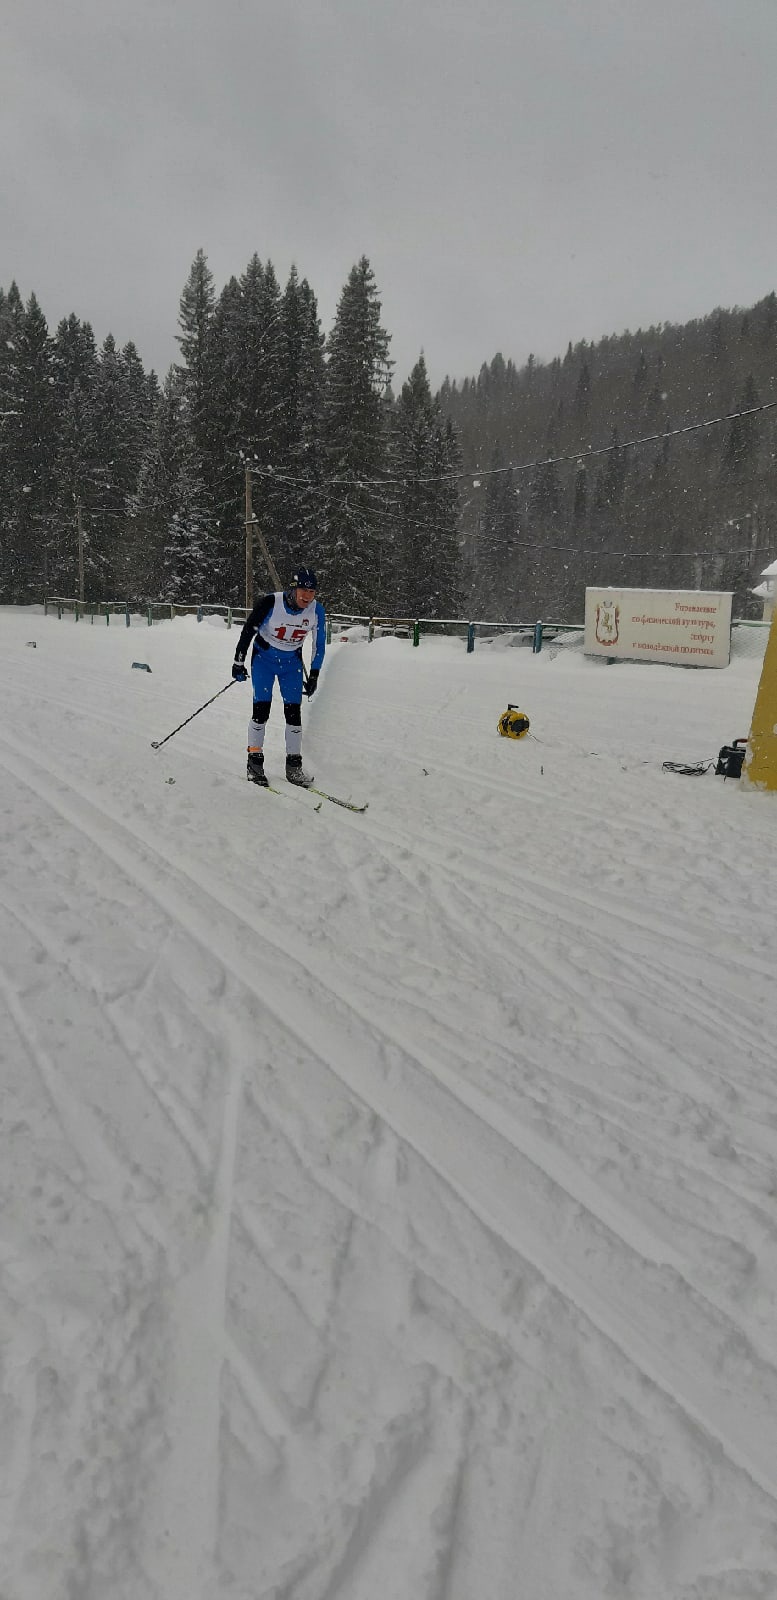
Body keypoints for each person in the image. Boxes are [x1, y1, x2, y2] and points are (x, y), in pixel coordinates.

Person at [231, 566, 325, 787]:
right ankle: (254, 763)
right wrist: (238, 662)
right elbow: (248, 630)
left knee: (294, 713)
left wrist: (314, 675)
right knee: (261, 710)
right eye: (303, 590)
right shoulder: (271, 602)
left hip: (291, 665)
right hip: (264, 661)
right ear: (293, 589)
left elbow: (318, 645)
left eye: (312, 592)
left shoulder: (316, 610)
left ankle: (294, 767)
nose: (307, 597)